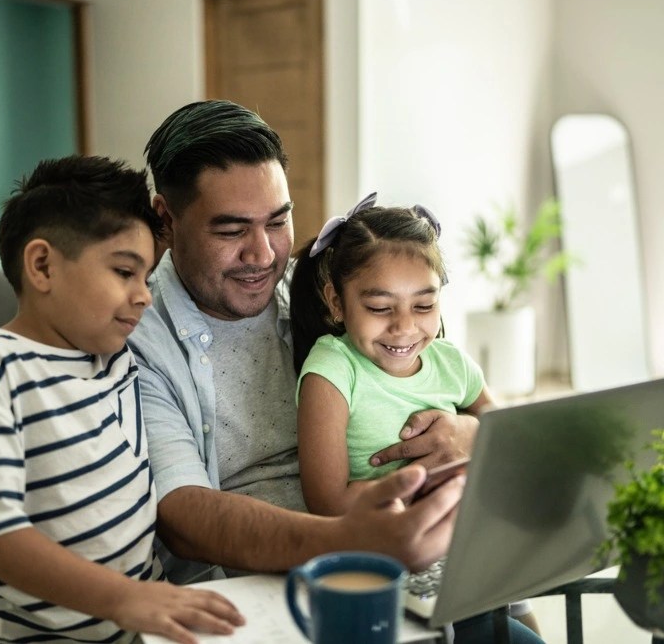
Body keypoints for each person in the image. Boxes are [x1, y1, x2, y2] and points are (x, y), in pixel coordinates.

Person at [130, 100, 546, 643]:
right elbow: (184, 517)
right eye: (232, 230)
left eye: (278, 222)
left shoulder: (314, 293)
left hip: (393, 539)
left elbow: (431, 371)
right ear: (166, 219)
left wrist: (469, 433)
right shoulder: (138, 339)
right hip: (271, 587)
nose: (263, 254)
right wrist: (356, 537)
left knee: (519, 617)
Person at [0, 155, 244, 644]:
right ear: (42, 265)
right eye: (124, 271)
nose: (143, 295)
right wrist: (125, 599)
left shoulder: (115, 362)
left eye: (147, 277)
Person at [289, 195, 541, 637]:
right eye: (381, 308)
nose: (404, 327)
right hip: (386, 555)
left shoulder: (451, 362)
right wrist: (422, 486)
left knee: (520, 614)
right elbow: (326, 502)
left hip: (465, 546)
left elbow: (507, 439)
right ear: (336, 301)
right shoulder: (332, 368)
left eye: (424, 306)